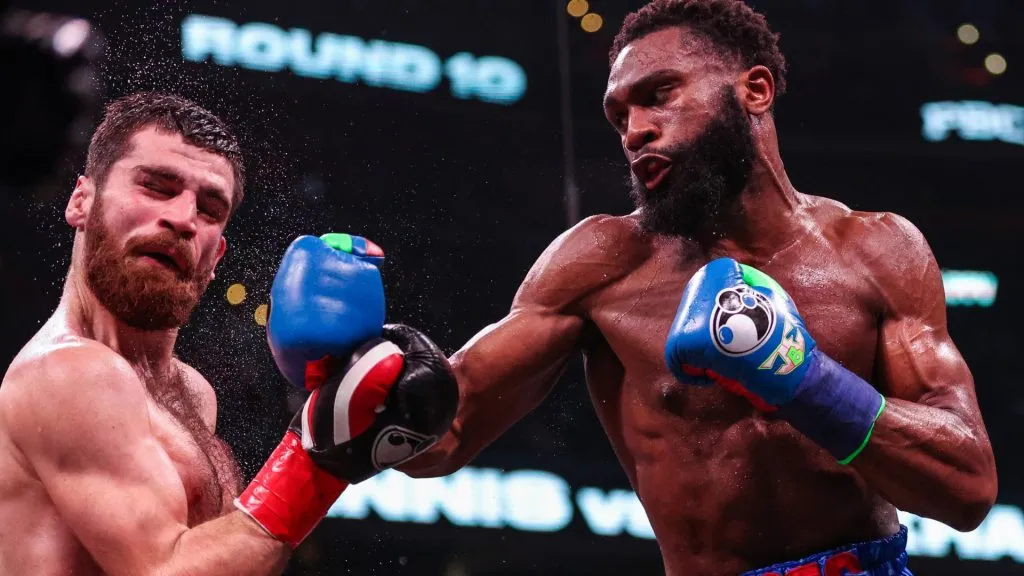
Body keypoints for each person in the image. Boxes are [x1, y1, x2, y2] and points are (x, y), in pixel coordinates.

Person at [391, 1, 999, 575]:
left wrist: (804, 379)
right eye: (619, 116)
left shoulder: (878, 250)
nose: (634, 132)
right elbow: (440, 438)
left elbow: (967, 488)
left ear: (754, 90)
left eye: (659, 96)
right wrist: (354, 376)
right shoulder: (601, 262)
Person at [0, 92, 457, 575]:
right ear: (81, 202)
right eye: (156, 186)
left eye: (210, 209)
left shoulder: (192, 392)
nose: (182, 219)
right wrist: (317, 457)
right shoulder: (66, 373)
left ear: (216, 258)